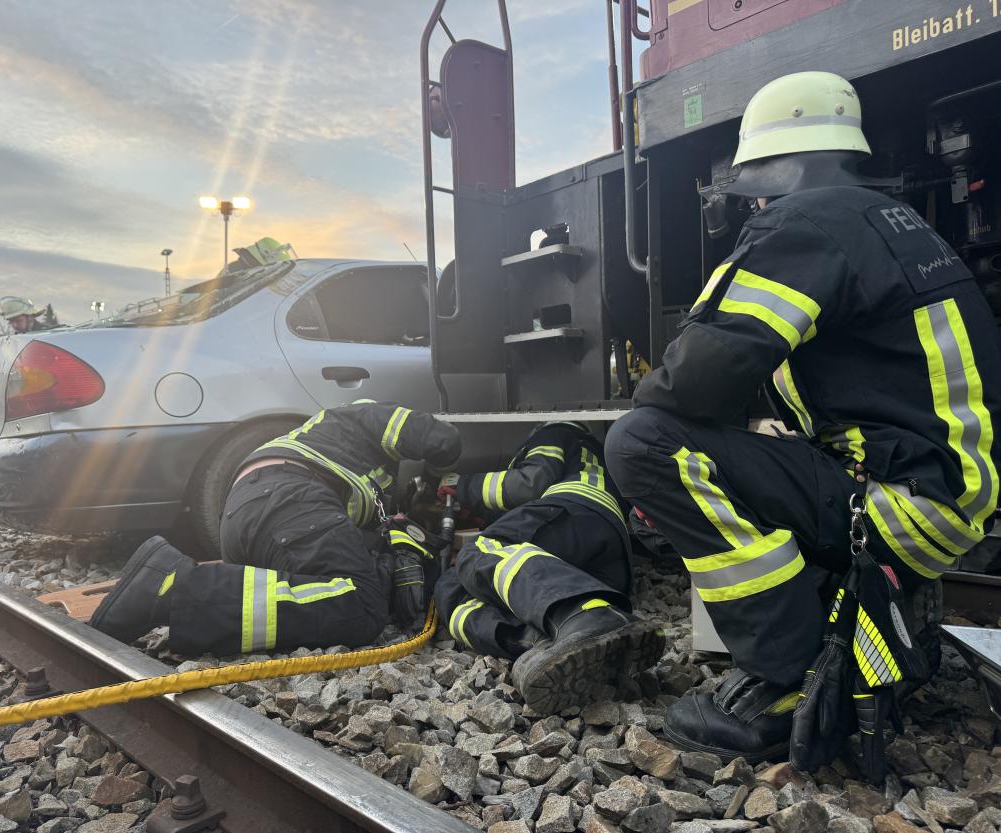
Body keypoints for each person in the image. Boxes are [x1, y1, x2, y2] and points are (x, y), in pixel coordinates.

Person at [605, 71, 1001, 762]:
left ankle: (786, 673)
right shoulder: (896, 223)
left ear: (775, 173)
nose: (751, 204)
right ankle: (860, 631)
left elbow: (693, 379)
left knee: (642, 442)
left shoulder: (803, 222)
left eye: (754, 189)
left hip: (899, 502)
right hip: (945, 495)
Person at [91, 401, 461, 655]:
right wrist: (432, 484)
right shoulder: (369, 416)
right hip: (290, 497)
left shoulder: (325, 438)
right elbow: (443, 439)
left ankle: (178, 588)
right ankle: (172, 587)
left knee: (326, 591)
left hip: (247, 516)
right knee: (363, 606)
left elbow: (342, 544)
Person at [434, 422, 663, 715]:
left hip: (567, 512)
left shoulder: (556, 432)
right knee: (466, 583)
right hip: (609, 557)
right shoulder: (599, 456)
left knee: (474, 556)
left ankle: (576, 620)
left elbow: (530, 483)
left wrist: (465, 486)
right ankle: (557, 635)